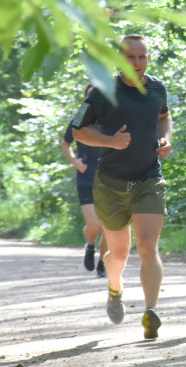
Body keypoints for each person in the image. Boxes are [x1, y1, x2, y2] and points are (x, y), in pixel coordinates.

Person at [70, 34, 173, 340]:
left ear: (149, 59)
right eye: (130, 57)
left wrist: (166, 139)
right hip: (111, 184)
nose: (137, 63)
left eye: (142, 57)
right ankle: (115, 289)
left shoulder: (157, 88)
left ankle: (150, 310)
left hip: (148, 178)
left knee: (148, 245)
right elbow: (78, 131)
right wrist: (109, 141)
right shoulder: (103, 91)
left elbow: (164, 119)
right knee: (119, 253)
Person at [61, 86, 109, 277]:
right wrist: (74, 162)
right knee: (94, 223)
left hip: (108, 177)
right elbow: (65, 144)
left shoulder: (109, 120)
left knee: (108, 226)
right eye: (90, 95)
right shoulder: (79, 120)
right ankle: (90, 246)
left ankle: (103, 262)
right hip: (86, 176)